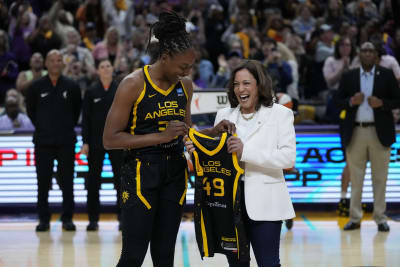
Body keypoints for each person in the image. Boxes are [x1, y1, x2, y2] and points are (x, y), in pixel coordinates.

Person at [102, 11, 199, 267]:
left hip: (175, 172)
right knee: (133, 255)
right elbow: (110, 139)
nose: (188, 71)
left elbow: (187, 129)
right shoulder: (133, 84)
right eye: (183, 66)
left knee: (164, 255)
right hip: (140, 171)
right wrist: (160, 136)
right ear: (165, 57)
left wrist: (213, 132)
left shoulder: (185, 85)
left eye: (190, 66)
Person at [186, 59, 296, 267]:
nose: (240, 89)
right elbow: (215, 157)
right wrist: (195, 152)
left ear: (259, 85)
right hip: (229, 202)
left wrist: (246, 151)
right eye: (236, 84)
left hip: (266, 204)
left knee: (269, 264)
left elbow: (288, 158)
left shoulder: (281, 114)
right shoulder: (224, 115)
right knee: (237, 264)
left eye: (246, 83)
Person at [336, 42, 400, 232]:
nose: (367, 53)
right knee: (356, 178)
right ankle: (354, 217)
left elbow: (397, 100)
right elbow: (336, 101)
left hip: (379, 132)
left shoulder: (387, 75)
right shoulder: (348, 76)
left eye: (371, 51)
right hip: (356, 131)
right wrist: (350, 101)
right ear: (359, 54)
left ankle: (380, 217)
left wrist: (382, 103)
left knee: (380, 178)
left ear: (376, 55)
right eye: (364, 50)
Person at [26, 50, 82, 232]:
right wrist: (44, 127)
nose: (56, 63)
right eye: (52, 60)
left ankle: (67, 218)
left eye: (59, 60)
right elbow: (31, 111)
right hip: (43, 142)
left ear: (62, 64)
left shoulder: (72, 86)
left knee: (67, 182)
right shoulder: (35, 86)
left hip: (66, 141)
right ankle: (43, 219)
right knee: (43, 183)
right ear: (46, 64)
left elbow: (76, 112)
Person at [81, 58, 122, 231]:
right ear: (98, 71)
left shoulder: (120, 89)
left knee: (121, 182)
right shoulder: (91, 91)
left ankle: (123, 218)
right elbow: (86, 119)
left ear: (113, 69)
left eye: (108, 66)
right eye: (102, 67)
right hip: (96, 143)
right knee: (93, 182)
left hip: (118, 141)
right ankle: (93, 219)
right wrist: (85, 142)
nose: (105, 69)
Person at [323, 36, 357, 216]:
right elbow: (329, 82)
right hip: (338, 104)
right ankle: (344, 198)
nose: (346, 46)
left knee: (354, 159)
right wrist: (344, 69)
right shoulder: (331, 60)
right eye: (343, 44)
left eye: (348, 43)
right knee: (349, 156)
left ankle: (350, 199)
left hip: (357, 108)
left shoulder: (357, 61)